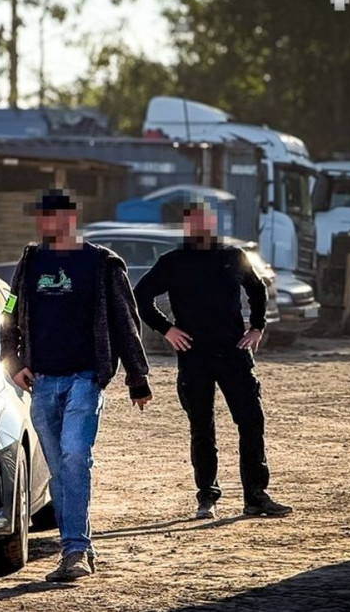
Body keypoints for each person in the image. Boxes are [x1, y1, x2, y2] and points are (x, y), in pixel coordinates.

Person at [0, 189, 152, 583]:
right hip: (42, 382)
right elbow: (9, 312)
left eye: (50, 216)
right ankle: (77, 546)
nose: (43, 224)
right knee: (59, 469)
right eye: (40, 217)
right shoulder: (31, 261)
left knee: (73, 458)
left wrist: (137, 377)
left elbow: (125, 320)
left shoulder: (101, 264)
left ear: (69, 219)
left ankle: (75, 551)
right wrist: (13, 362)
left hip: (85, 378)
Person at [133, 203, 293, 520]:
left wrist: (258, 326)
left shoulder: (232, 257)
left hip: (234, 353)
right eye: (193, 223)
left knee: (251, 423)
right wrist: (167, 329)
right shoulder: (173, 262)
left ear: (213, 223)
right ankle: (207, 498)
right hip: (194, 357)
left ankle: (256, 497)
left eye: (205, 222)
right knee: (201, 429)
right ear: (186, 226)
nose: (200, 228)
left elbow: (258, 289)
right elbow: (141, 295)